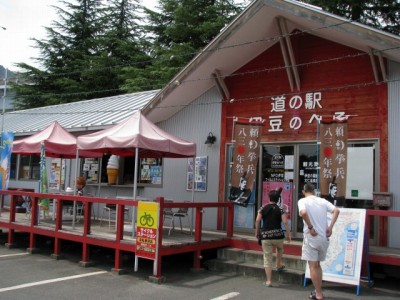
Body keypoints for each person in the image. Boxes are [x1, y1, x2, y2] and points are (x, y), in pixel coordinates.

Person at [298, 183, 340, 300]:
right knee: (318, 265)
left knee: (313, 266)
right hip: (323, 237)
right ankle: (318, 291)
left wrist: (310, 227)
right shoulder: (322, 201)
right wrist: (330, 227)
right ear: (314, 191)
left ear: (303, 191)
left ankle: (319, 294)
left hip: (311, 237)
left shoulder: (303, 201)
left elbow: (304, 213)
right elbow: (336, 211)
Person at [255, 189, 291, 287]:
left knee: (267, 257)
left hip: (266, 236)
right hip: (278, 236)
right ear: (278, 199)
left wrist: (257, 232)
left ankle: (269, 281)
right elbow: (285, 222)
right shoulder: (280, 209)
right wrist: (289, 234)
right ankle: (278, 265)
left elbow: (258, 220)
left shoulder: (262, 208)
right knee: (280, 249)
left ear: (269, 198)